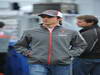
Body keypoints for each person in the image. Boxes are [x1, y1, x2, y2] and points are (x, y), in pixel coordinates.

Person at [14, 10, 87, 75]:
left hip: (62, 64)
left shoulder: (71, 32)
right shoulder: (30, 32)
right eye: (43, 16)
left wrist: (69, 54)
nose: (45, 19)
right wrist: (29, 53)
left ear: (59, 18)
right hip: (37, 64)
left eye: (49, 17)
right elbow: (19, 46)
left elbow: (81, 45)